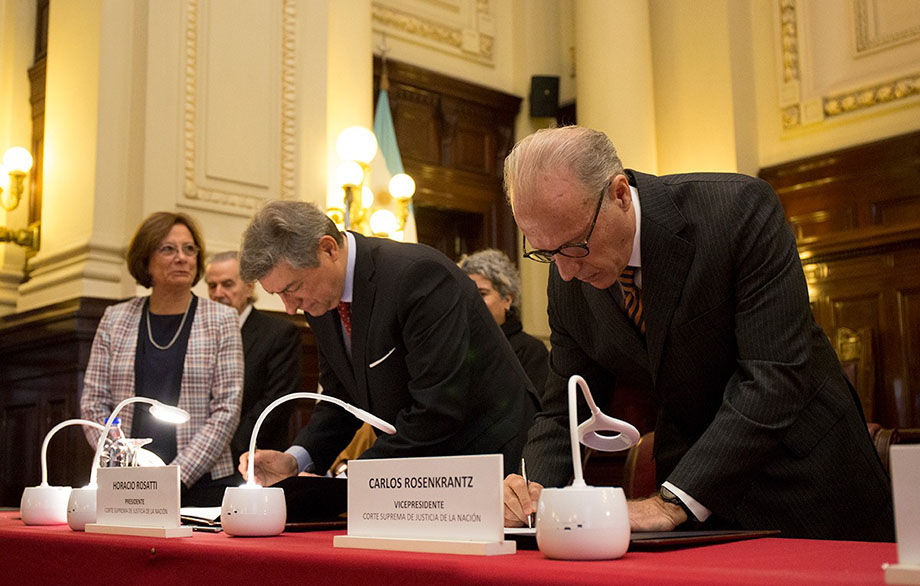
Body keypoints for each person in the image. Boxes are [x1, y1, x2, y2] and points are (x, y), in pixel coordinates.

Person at [502, 126, 894, 541]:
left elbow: (773, 377)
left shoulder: (737, 211)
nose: (565, 271)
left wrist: (673, 501)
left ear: (619, 194)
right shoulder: (567, 274)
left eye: (574, 245)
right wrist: (531, 493)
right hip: (697, 505)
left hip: (806, 483)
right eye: (544, 252)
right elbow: (567, 406)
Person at [236, 200, 539, 484]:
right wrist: (295, 460)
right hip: (423, 463)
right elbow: (341, 401)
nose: (290, 308)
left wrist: (351, 479)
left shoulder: (417, 275)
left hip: (491, 457)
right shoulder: (321, 299)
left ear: (327, 249)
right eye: (279, 295)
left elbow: (438, 407)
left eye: (293, 289)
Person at [81, 212, 243, 506]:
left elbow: (226, 410)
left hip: (200, 483)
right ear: (145, 260)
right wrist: (124, 461)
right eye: (168, 249)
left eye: (189, 249)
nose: (182, 258)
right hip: (126, 481)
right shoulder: (115, 319)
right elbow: (93, 402)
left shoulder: (222, 319)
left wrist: (173, 477)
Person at [205, 251, 302, 466]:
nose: (218, 293)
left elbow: (276, 402)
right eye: (212, 286)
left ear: (249, 286)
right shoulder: (200, 334)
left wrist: (224, 449)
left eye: (228, 284)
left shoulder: (278, 333)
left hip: (252, 456)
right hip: (201, 456)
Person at [459, 249, 548, 391]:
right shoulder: (457, 345)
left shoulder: (531, 351)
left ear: (507, 299)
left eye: (482, 293)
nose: (472, 302)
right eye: (468, 294)